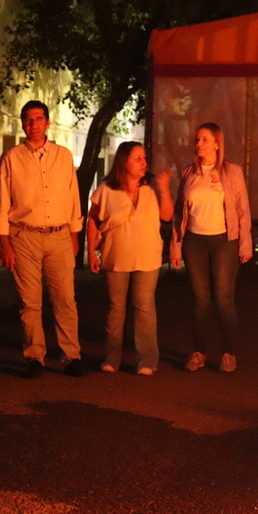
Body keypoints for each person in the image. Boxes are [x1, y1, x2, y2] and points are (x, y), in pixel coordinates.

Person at [0, 100, 86, 379]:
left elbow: (73, 199)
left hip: (58, 236)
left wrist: (74, 236)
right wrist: (4, 244)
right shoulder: (11, 158)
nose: (33, 124)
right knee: (30, 302)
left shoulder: (63, 156)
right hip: (24, 237)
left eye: (38, 118)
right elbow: (1, 202)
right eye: (28, 119)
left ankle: (71, 355)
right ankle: (35, 356)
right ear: (23, 124)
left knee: (65, 299)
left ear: (48, 122)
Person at [170, 122, 252, 373]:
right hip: (195, 241)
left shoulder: (231, 172)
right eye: (197, 140)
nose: (199, 144)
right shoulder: (188, 174)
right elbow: (178, 213)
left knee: (223, 298)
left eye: (205, 139)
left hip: (224, 241)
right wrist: (175, 246)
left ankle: (228, 353)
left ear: (217, 143)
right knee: (200, 299)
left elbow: (242, 208)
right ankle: (199, 352)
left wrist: (245, 242)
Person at [86, 142, 173, 375]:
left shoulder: (151, 188)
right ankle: (112, 356)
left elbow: (167, 215)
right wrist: (91, 252)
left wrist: (164, 189)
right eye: (137, 158)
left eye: (144, 158)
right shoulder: (106, 189)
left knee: (144, 305)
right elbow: (93, 219)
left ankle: (147, 359)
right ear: (123, 161)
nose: (144, 163)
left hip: (148, 255)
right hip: (117, 255)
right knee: (116, 307)